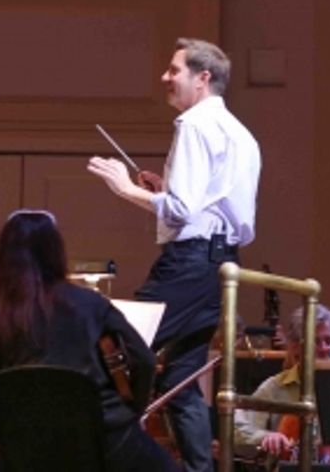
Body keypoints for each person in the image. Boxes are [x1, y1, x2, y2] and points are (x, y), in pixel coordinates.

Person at [88, 37, 262, 472]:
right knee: (181, 380)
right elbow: (211, 204)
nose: (165, 77)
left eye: (174, 70)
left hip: (190, 263)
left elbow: (183, 211)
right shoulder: (241, 133)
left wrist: (124, 189)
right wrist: (163, 191)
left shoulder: (193, 124)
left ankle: (106, 458)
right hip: (222, 268)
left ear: (202, 78)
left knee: (113, 347)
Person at [0, 210, 173, 471]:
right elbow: (144, 360)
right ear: (55, 252)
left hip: (28, 449)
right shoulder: (91, 304)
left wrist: (3, 442)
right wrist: (133, 411)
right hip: (103, 439)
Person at [233, 304, 330, 462]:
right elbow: (236, 431)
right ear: (296, 346)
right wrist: (265, 437)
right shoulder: (275, 387)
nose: (324, 349)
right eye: (315, 341)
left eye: (329, 341)